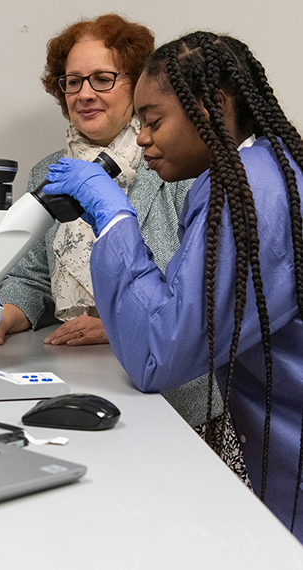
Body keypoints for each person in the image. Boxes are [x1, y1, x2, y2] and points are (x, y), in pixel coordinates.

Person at [43, 31, 303, 540]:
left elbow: (159, 354)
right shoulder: (272, 169)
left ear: (212, 106)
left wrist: (113, 217)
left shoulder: (244, 193)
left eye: (154, 121)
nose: (142, 137)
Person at [0, 16, 250, 483]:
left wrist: (117, 321)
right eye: (73, 81)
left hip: (176, 395)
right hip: (80, 377)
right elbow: (31, 275)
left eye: (103, 79)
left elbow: (193, 288)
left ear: (136, 85)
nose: (85, 93)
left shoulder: (176, 159)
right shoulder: (49, 172)